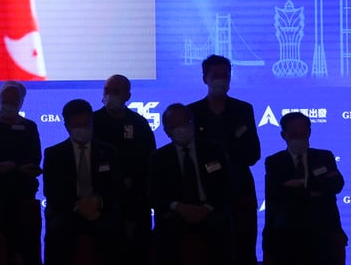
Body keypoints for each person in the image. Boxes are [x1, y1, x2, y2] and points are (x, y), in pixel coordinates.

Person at [187, 54, 260, 265]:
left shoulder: (243, 110)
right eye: (215, 75)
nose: (221, 80)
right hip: (204, 192)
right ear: (205, 79)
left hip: (240, 189)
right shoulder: (192, 112)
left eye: (225, 76)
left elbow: (253, 153)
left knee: (244, 248)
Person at [148, 103, 233, 265]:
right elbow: (154, 195)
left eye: (185, 122)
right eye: (175, 125)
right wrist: (179, 207)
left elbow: (226, 185)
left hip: (209, 209)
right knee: (165, 235)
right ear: (167, 131)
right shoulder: (159, 158)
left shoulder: (213, 150)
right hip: (176, 211)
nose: (182, 129)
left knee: (221, 228)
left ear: (193, 123)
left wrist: (206, 208)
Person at [42, 99, 121, 265]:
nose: (83, 130)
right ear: (67, 126)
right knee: (57, 232)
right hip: (67, 211)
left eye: (86, 125)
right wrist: (80, 207)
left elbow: (114, 186)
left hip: (100, 209)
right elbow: (52, 191)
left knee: (114, 229)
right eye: (77, 126)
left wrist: (97, 202)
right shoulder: (54, 154)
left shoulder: (108, 151)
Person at [262, 111, 346, 265]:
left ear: (310, 132)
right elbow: (279, 193)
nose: (299, 138)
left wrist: (300, 186)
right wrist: (316, 188)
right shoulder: (274, 162)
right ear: (284, 135)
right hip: (288, 230)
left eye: (303, 133)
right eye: (294, 134)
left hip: (323, 227)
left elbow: (336, 184)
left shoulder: (324, 156)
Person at [0, 80, 43, 265]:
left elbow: (34, 159)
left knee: (26, 236)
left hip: (23, 189)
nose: (9, 106)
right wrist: (2, 166)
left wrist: (14, 165)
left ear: (21, 103)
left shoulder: (29, 126)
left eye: (14, 102)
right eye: (6, 101)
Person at [92, 74, 155, 265]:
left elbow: (150, 160)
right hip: (100, 193)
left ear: (127, 96)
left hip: (134, 194)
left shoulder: (139, 123)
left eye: (116, 91)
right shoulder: (93, 121)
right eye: (106, 90)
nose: (110, 95)